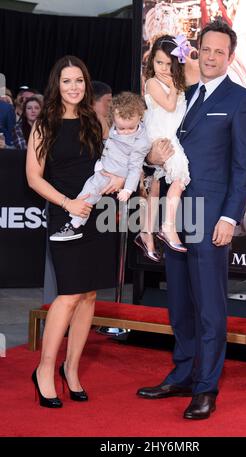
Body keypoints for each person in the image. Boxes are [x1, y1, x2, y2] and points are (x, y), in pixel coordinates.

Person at [137, 20, 246, 420]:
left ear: (230, 56)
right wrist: (151, 158)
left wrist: (230, 215)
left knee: (209, 307)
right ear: (197, 51)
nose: (211, 57)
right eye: (205, 49)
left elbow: (244, 167)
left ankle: (206, 387)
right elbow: (157, 147)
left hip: (211, 219)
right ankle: (183, 374)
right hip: (175, 214)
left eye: (219, 52)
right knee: (179, 304)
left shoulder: (242, 100)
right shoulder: (180, 93)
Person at [26, 55, 125, 408]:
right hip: (66, 216)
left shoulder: (94, 120)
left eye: (79, 81)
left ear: (86, 84)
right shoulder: (45, 125)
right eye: (67, 81)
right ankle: (44, 370)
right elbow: (33, 177)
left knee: (88, 297)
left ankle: (71, 368)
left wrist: (117, 180)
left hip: (97, 216)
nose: (74, 87)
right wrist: (68, 204)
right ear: (57, 85)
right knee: (67, 295)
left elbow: (113, 162)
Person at [49, 91, 151, 241]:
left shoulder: (141, 142)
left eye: (130, 128)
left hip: (115, 174)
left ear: (140, 117)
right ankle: (74, 224)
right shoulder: (113, 124)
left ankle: (74, 225)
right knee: (88, 193)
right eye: (121, 128)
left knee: (88, 193)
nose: (125, 132)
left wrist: (128, 188)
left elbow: (135, 167)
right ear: (113, 118)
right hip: (104, 167)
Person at [135, 34, 190, 263]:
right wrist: (175, 86)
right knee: (179, 178)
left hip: (167, 137)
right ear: (151, 62)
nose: (164, 68)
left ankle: (146, 234)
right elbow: (168, 106)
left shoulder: (174, 83)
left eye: (169, 64)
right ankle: (167, 227)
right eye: (159, 63)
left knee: (155, 190)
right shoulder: (152, 83)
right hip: (159, 138)